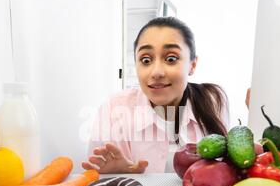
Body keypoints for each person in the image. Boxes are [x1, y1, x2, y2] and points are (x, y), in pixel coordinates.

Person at [82, 17, 229, 174]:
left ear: (192, 65)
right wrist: (121, 175)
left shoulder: (213, 100)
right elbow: (94, 177)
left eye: (171, 59)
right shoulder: (114, 108)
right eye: (146, 60)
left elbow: (225, 168)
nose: (156, 72)